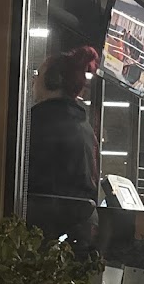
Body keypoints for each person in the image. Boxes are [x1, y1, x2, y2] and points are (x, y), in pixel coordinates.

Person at [27, 46, 100, 243]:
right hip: (75, 236)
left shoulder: (37, 122)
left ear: (53, 81)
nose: (34, 81)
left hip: (41, 235)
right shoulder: (84, 125)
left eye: (38, 74)